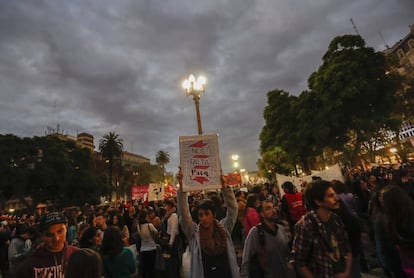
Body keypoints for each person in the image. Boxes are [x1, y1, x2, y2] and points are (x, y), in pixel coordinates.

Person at [177, 168, 240, 278]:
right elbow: (184, 214)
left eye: (207, 214)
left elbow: (233, 209)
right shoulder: (194, 234)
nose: (204, 218)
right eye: (201, 215)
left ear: (213, 214)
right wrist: (182, 188)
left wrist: (225, 188)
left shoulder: (224, 229)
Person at [291, 180, 352, 277]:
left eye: (335, 194)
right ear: (318, 202)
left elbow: (346, 248)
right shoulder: (305, 226)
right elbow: (300, 263)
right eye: (331, 196)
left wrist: (346, 272)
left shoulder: (335, 218)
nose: (336, 198)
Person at [16, 212, 78, 278]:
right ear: (42, 235)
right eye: (50, 235)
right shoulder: (29, 266)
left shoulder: (78, 255)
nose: (56, 238)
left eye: (60, 231)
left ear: (66, 228)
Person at [241, 200, 293, 278]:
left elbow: (287, 252)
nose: (273, 210)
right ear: (262, 214)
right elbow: (246, 260)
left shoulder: (281, 229)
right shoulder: (255, 232)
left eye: (273, 207)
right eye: (268, 208)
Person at [137, 209, 159, 278]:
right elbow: (156, 232)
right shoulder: (149, 225)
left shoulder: (139, 227)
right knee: (151, 268)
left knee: (144, 268)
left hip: (143, 249)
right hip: (151, 247)